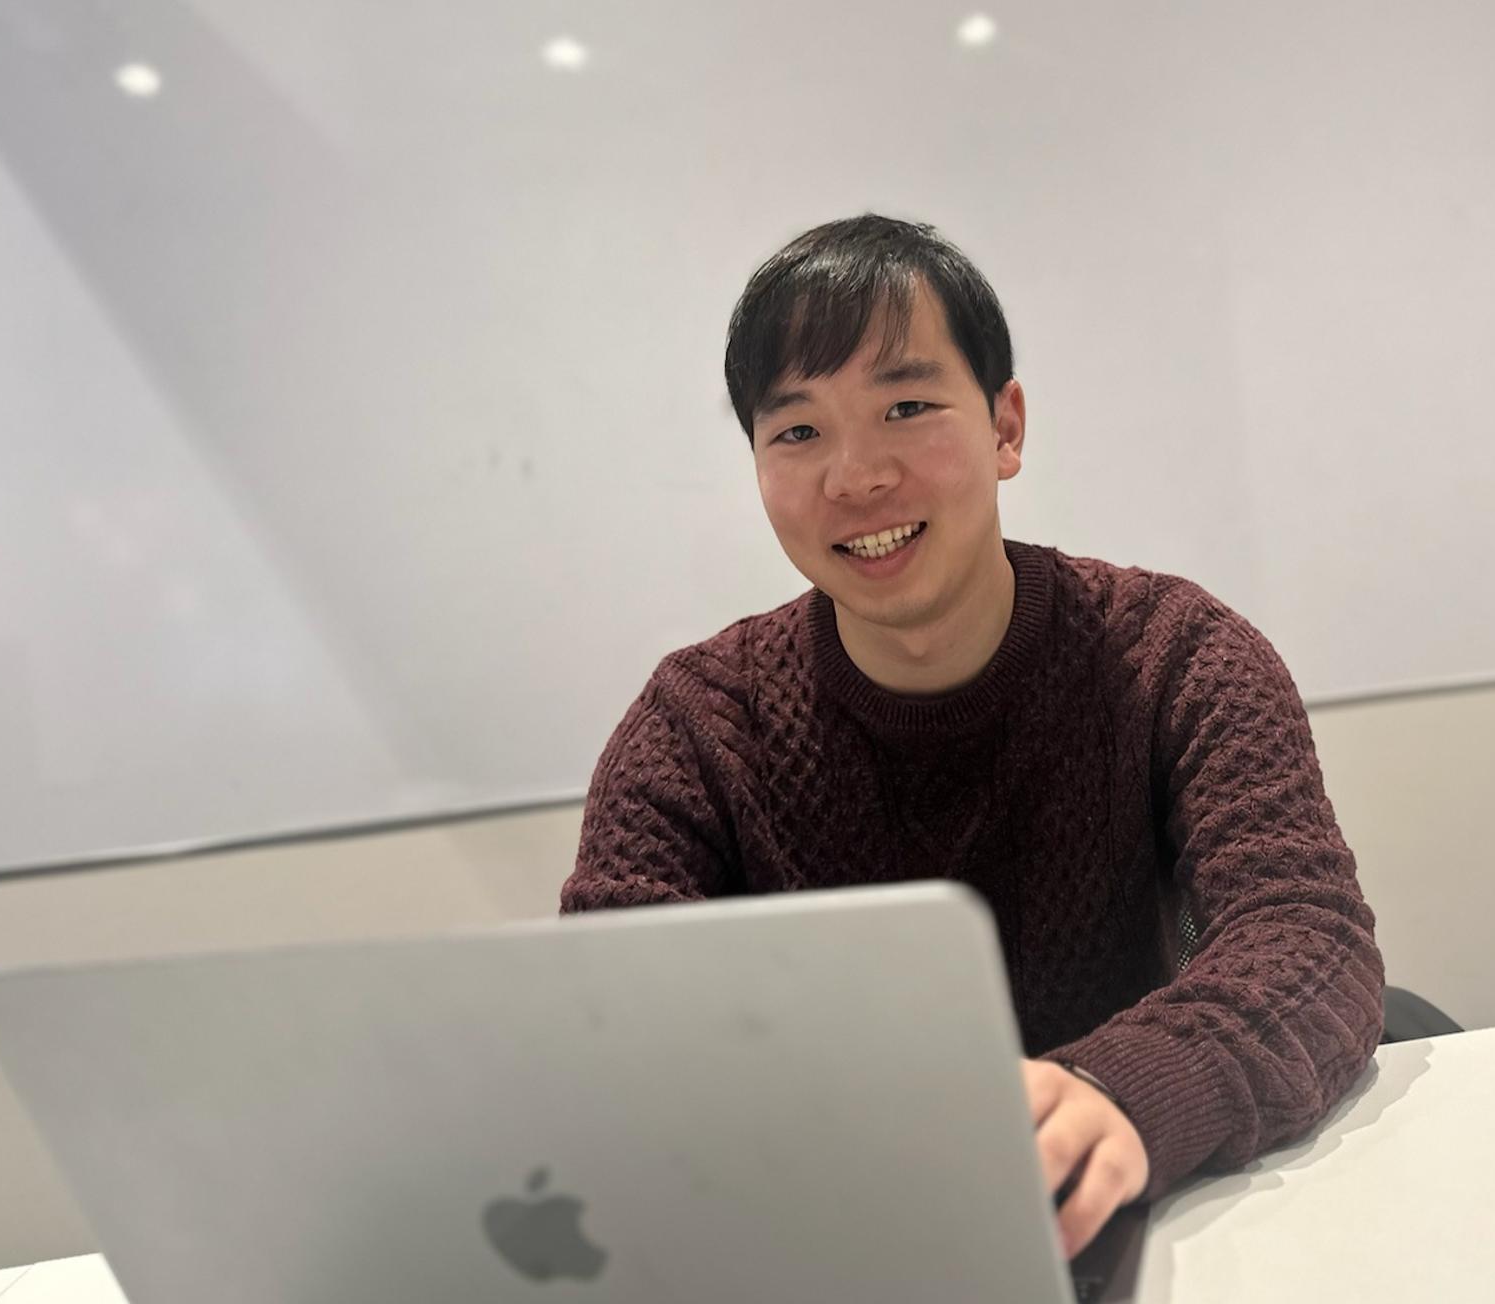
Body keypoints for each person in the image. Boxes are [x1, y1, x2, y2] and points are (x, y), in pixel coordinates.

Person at [561, 214, 1384, 1259]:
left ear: (1005, 428)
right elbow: (607, 1023)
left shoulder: (1175, 655)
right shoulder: (697, 725)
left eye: (905, 407)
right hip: (836, 1239)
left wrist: (1119, 1091)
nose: (855, 477)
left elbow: (1308, 937)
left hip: (1132, 1223)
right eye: (797, 431)